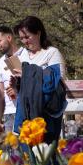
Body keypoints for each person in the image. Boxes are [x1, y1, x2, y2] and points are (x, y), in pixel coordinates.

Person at [11, 16, 67, 144]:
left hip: (47, 115)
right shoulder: (21, 55)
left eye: (27, 37)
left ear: (38, 33)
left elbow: (57, 81)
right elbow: (24, 89)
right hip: (25, 114)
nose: (24, 41)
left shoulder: (52, 53)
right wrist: (15, 85)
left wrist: (26, 73)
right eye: (21, 38)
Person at [0, 25, 26, 135]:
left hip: (25, 111)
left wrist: (18, 91)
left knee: (28, 151)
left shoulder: (26, 55)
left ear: (9, 38)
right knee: (13, 151)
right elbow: (0, 94)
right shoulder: (0, 62)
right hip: (9, 114)